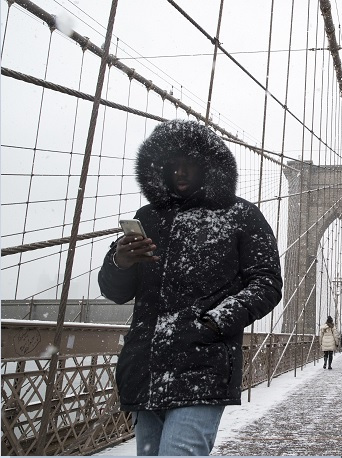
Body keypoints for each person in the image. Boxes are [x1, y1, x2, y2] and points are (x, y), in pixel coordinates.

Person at [98, 119, 283, 456]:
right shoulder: (148, 217)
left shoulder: (241, 215)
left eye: (189, 164)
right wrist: (120, 262)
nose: (180, 173)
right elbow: (117, 292)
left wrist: (213, 322)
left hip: (202, 365)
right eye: (172, 165)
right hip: (145, 370)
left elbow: (267, 283)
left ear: (209, 166)